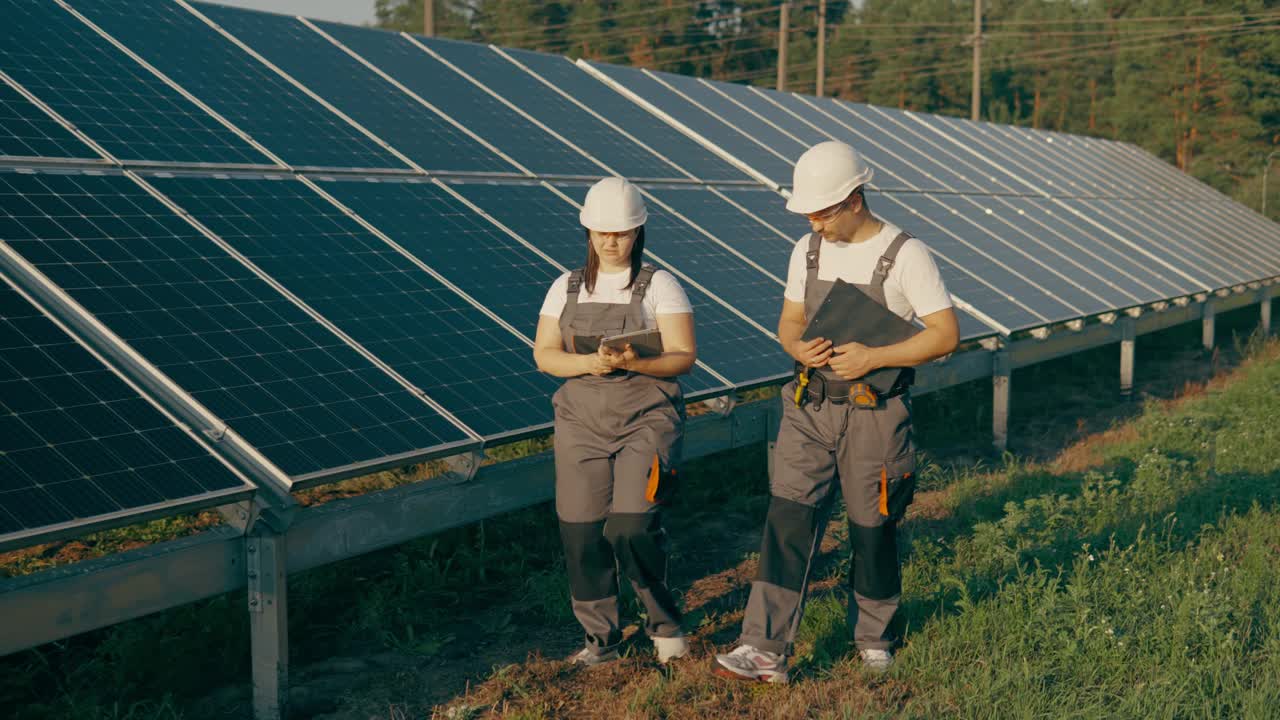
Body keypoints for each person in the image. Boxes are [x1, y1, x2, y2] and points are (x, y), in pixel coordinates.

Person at [714, 141, 960, 683]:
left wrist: (876, 356)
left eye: (821, 212)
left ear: (854, 199)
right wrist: (797, 348)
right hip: (809, 405)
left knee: (873, 525)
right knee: (788, 520)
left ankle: (875, 637)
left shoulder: (906, 254)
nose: (813, 222)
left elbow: (945, 335)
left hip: (875, 411)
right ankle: (764, 648)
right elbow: (788, 322)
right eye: (808, 213)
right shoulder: (806, 249)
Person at [533, 177, 698, 666]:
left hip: (645, 418)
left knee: (631, 525)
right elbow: (545, 354)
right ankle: (600, 641)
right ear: (587, 230)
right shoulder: (564, 287)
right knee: (581, 534)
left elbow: (684, 355)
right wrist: (590, 364)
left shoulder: (660, 285)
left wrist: (633, 362)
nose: (611, 241)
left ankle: (664, 624)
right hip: (581, 422)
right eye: (603, 231)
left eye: (622, 232)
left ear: (638, 231)